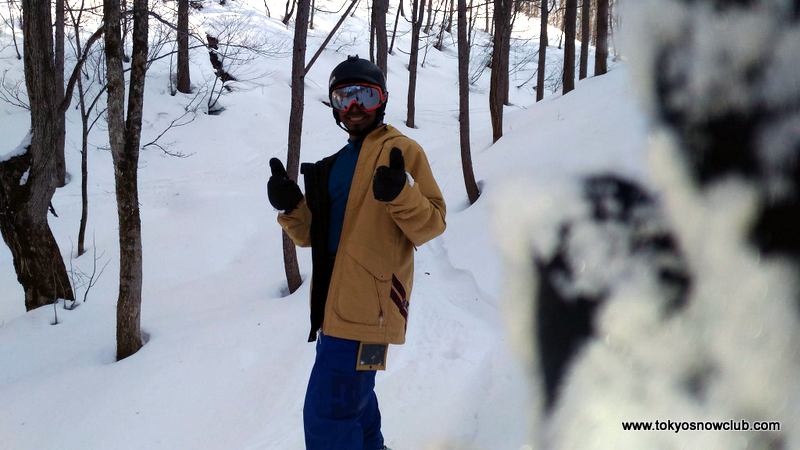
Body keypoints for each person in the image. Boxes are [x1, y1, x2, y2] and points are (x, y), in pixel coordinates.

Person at [267, 55, 446, 450]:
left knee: (328, 416)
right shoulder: (335, 165)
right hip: (334, 307)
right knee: (355, 405)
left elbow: (432, 223)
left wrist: (401, 194)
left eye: (364, 96)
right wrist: (292, 206)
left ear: (382, 100)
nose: (354, 107)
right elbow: (315, 237)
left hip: (370, 308)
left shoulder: (402, 150)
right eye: (343, 97)